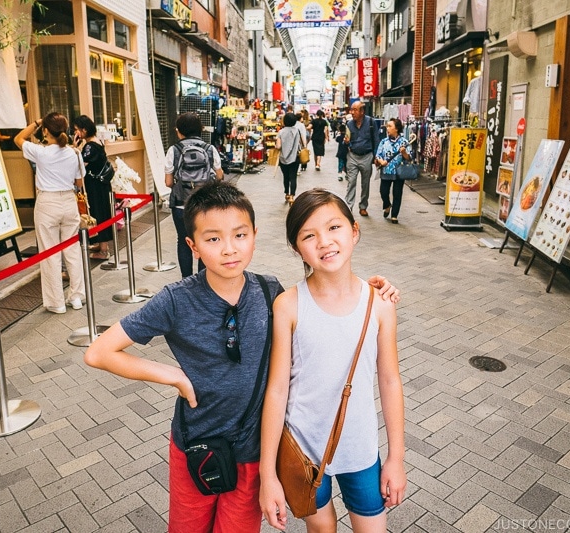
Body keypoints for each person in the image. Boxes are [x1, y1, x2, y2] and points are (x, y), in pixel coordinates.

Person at [84, 181, 400, 533]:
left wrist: (373, 291)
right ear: (193, 246)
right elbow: (100, 352)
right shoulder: (176, 299)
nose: (229, 249)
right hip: (196, 446)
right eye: (213, 239)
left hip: (252, 452)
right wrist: (172, 376)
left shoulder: (271, 294)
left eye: (239, 235)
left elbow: (326, 302)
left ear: (254, 234)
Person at [259, 188, 407, 532]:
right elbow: (278, 389)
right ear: (297, 248)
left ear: (354, 231)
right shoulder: (289, 305)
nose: (324, 242)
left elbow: (390, 380)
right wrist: (269, 474)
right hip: (303, 450)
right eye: (309, 235)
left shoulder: (380, 304)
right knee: (322, 528)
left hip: (360, 449)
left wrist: (396, 458)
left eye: (334, 228)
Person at [14, 112, 85, 314]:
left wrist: (36, 122)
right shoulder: (74, 154)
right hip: (68, 202)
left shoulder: (41, 152)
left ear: (46, 130)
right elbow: (79, 183)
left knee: (50, 253)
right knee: (72, 250)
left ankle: (57, 302)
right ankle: (77, 296)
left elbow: (18, 138)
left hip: (47, 203)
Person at [165, 112, 224, 278]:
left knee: (183, 242)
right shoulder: (209, 149)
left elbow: (168, 182)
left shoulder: (173, 150)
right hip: (204, 204)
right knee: (203, 241)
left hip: (180, 203)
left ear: (179, 131)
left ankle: (187, 280)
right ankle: (202, 280)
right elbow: (219, 176)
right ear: (200, 130)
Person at [72, 115, 113, 259]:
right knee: (99, 213)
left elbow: (79, 163)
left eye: (77, 130)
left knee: (99, 214)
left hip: (96, 186)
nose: (76, 133)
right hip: (100, 185)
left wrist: (74, 148)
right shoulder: (96, 142)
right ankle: (101, 245)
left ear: (84, 130)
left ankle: (103, 250)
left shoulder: (90, 147)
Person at [344, 101, 379, 217]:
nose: (352, 112)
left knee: (365, 183)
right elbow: (346, 140)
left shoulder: (371, 122)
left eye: (355, 110)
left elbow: (376, 140)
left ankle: (363, 206)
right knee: (351, 181)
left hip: (367, 156)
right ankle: (349, 206)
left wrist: (376, 156)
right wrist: (346, 142)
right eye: (351, 109)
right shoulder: (349, 124)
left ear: (362, 111)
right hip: (353, 156)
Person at [375, 118, 411, 224]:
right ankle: (387, 205)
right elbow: (378, 155)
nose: (387, 128)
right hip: (386, 170)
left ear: (397, 128)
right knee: (383, 191)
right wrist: (381, 162)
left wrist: (404, 153)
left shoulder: (404, 142)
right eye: (387, 126)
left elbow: (409, 158)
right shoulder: (384, 141)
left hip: (399, 171)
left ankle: (394, 215)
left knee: (397, 193)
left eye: (390, 126)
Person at [277, 112, 303, 204]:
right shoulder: (297, 131)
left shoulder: (281, 132)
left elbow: (278, 146)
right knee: (293, 177)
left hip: (283, 159)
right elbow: (300, 144)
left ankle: (287, 194)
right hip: (295, 158)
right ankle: (292, 196)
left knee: (286, 177)